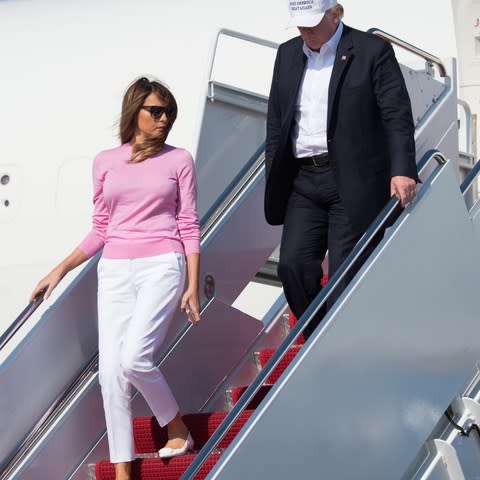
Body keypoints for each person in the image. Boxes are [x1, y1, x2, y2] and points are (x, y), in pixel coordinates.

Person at [30, 77, 201, 480]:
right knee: (109, 374)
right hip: (114, 270)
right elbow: (101, 229)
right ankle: (123, 472)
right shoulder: (105, 161)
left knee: (134, 359)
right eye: (156, 111)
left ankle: (176, 427)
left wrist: (193, 283)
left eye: (169, 113)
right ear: (134, 113)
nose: (164, 119)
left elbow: (189, 223)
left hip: (163, 263)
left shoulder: (179, 160)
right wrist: (60, 268)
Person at [265, 0, 418, 338]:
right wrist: (274, 174)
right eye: (299, 24)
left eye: (313, 23)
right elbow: (277, 121)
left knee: (344, 273)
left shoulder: (371, 51)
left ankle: (341, 344)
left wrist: (403, 168)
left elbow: (396, 115)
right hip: (304, 180)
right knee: (292, 266)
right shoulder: (287, 54)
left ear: (335, 15)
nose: (305, 31)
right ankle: (326, 338)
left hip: (351, 178)